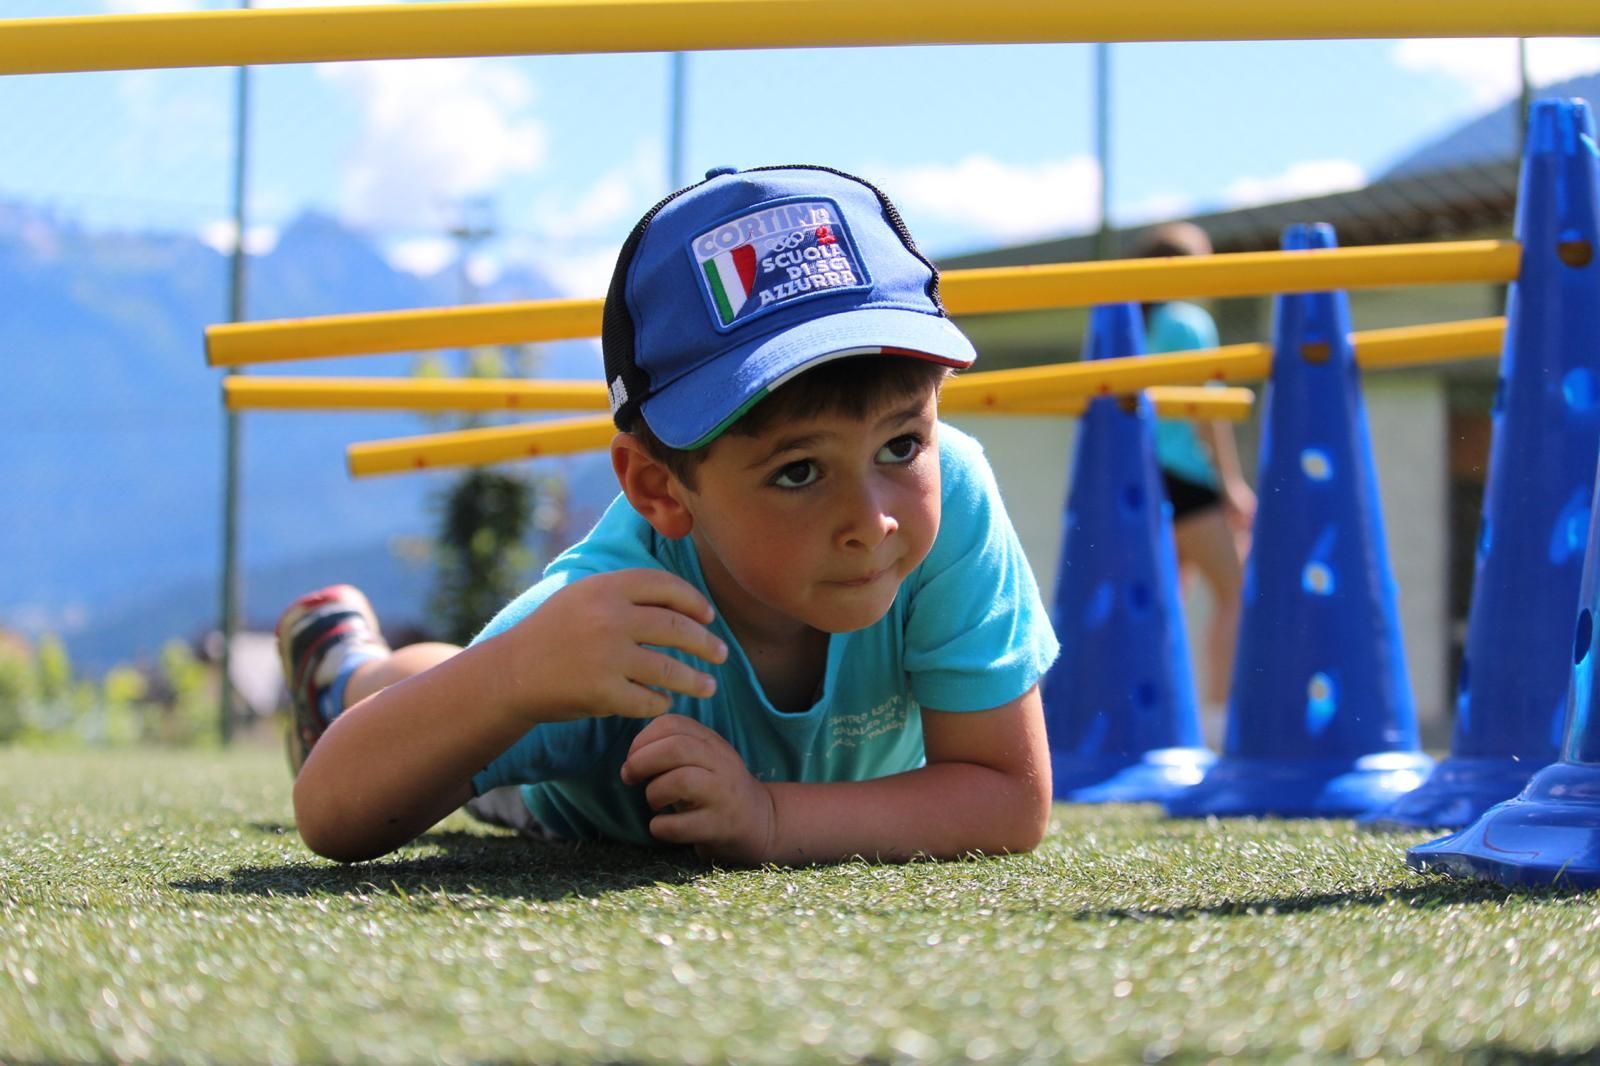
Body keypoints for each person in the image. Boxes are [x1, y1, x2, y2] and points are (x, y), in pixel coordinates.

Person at [278, 165, 1061, 868]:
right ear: (660, 490)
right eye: (798, 471)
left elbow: (1007, 796)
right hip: (571, 797)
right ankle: (346, 672)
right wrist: (519, 673)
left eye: (900, 445)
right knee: (449, 683)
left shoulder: (952, 496)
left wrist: (772, 817)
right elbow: (331, 811)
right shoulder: (607, 622)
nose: (872, 521)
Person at [1132, 222, 1256, 744]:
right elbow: (1209, 415)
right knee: (1236, 592)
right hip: (1186, 478)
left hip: (1143, 477)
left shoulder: (1134, 320)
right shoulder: (1188, 321)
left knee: (1167, 602)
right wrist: (1230, 482)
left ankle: (1158, 718)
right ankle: (1218, 716)